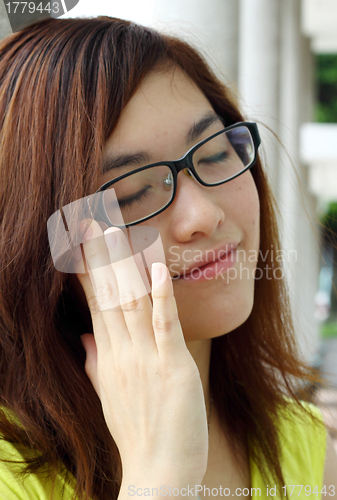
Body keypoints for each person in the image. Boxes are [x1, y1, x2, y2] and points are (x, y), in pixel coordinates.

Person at [0, 15, 336, 500]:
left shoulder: (301, 444)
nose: (203, 214)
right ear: (44, 249)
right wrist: (157, 477)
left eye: (216, 153)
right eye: (132, 193)